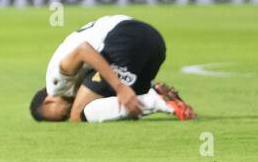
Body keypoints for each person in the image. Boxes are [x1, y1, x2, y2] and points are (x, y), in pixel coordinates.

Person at [29, 15, 196, 123]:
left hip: (124, 37)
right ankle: (160, 94)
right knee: (120, 102)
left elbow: (84, 50)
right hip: (154, 41)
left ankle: (157, 100)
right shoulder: (71, 86)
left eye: (59, 116)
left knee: (77, 114)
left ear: (49, 100)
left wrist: (119, 86)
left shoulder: (56, 84)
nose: (64, 116)